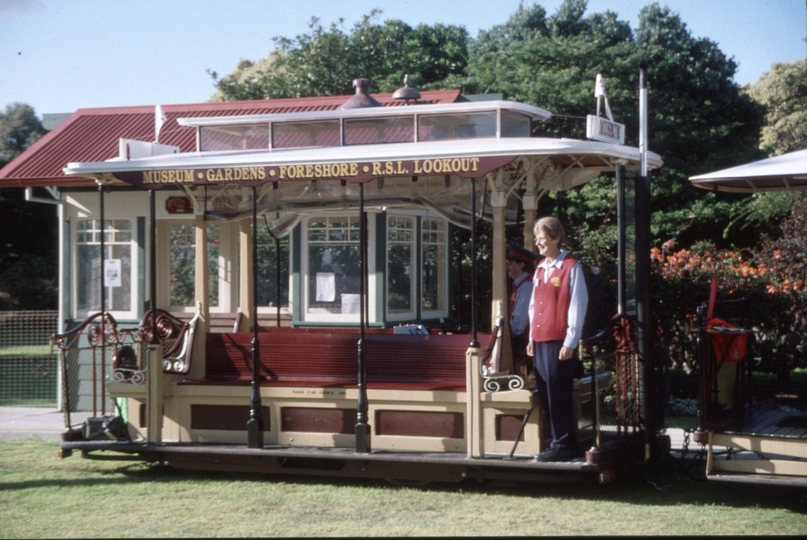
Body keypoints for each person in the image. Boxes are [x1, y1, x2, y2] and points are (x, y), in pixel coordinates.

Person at [527, 217, 588, 462]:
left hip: (558, 340)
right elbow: (533, 305)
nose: (538, 243)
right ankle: (558, 441)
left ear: (555, 238)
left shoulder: (572, 267)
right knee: (545, 391)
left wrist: (570, 342)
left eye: (542, 239)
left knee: (558, 392)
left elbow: (577, 306)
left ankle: (563, 443)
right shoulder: (541, 268)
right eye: (537, 239)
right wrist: (531, 336)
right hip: (541, 339)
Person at [506, 244, 538, 388]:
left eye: (511, 263)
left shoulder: (527, 287)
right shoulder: (521, 285)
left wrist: (504, 333)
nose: (507, 266)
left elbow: (519, 324)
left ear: (521, 265)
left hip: (524, 342)